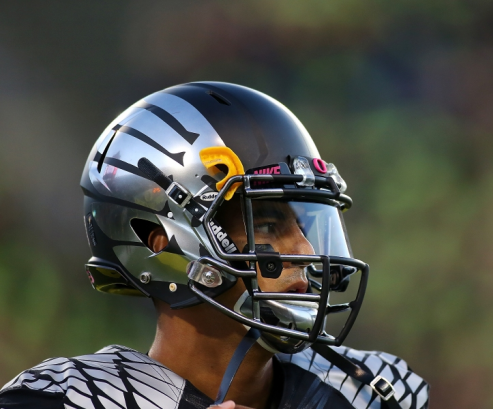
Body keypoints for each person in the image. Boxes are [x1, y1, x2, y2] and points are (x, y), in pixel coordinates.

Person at [0, 82, 429, 408]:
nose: (306, 250)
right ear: (162, 244)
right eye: (266, 224)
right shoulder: (72, 398)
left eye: (306, 225)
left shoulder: (371, 389)